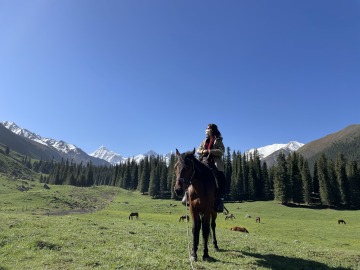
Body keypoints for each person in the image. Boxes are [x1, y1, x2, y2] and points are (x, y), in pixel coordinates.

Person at [181, 123, 226, 213]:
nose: (206, 130)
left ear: (212, 130)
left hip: (213, 163)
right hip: (203, 161)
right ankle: (187, 195)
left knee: (221, 179)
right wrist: (202, 151)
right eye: (206, 128)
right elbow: (198, 150)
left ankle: (219, 200)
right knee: (193, 174)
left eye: (208, 128)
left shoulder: (218, 140)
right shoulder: (204, 140)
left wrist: (209, 151)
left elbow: (221, 151)